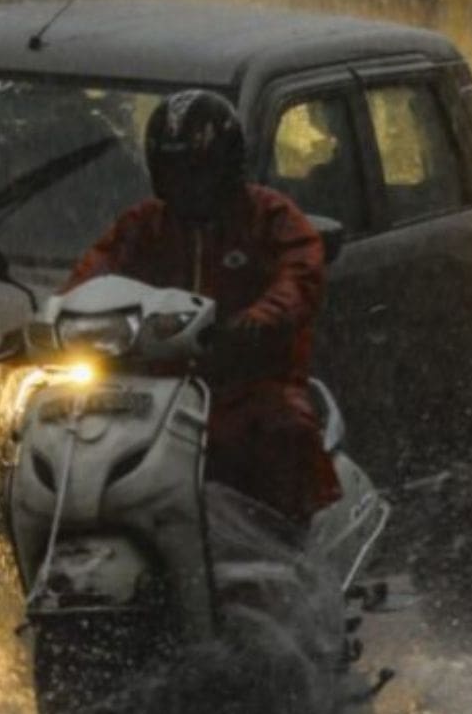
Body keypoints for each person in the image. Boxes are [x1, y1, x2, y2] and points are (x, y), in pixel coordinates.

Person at [64, 89, 341, 523]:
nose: (186, 185)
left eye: (197, 171)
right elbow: (94, 271)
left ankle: (289, 548)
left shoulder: (269, 216)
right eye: (173, 171)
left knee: (283, 427)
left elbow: (301, 273)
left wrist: (259, 319)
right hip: (147, 387)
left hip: (245, 382)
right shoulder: (143, 226)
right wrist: (57, 319)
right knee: (68, 425)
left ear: (227, 167)